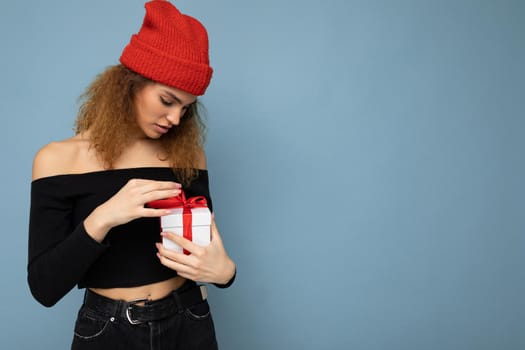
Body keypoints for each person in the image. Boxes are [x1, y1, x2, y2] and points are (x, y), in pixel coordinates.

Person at [27, 1, 235, 349]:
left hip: (190, 321)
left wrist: (226, 273)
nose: (175, 119)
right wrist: (103, 217)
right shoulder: (57, 159)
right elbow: (44, 288)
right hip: (108, 332)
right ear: (129, 85)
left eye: (186, 108)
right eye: (167, 100)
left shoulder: (187, 155)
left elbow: (205, 252)